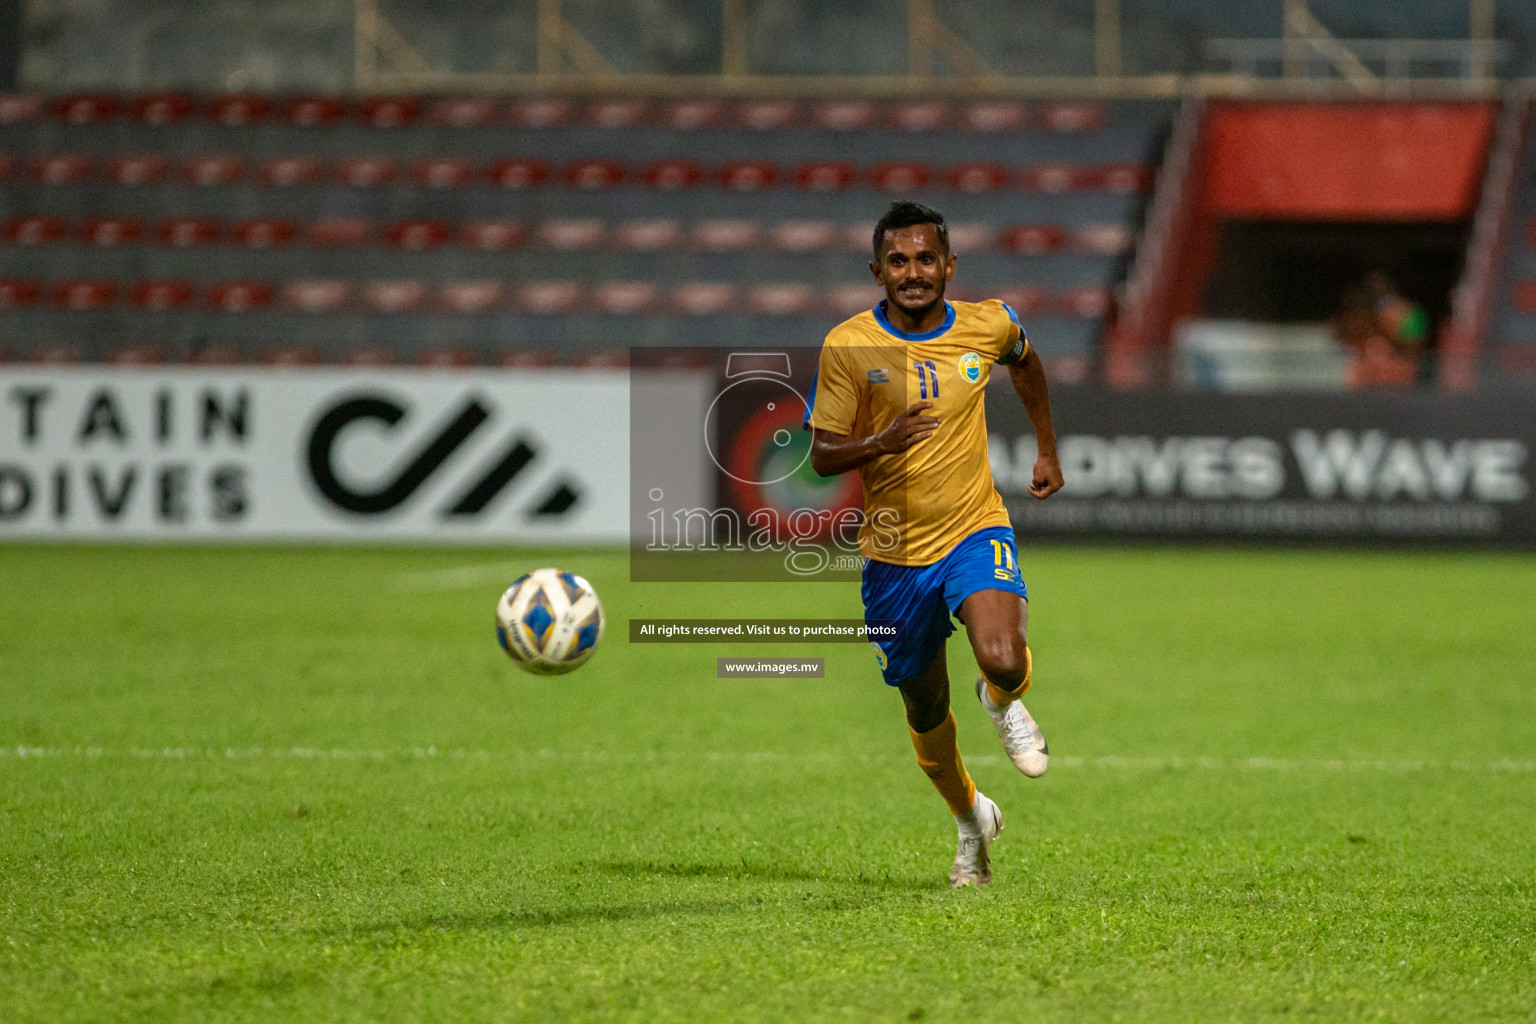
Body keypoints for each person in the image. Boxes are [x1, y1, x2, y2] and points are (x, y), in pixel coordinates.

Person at [804, 200, 1064, 887]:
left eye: (925, 259)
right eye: (898, 261)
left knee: (1002, 657)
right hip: (892, 557)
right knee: (923, 707)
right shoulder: (848, 346)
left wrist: (1045, 446)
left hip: (974, 527)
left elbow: (1028, 362)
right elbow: (824, 456)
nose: (913, 272)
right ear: (876, 270)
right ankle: (970, 821)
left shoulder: (990, 323)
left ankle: (1004, 699)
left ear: (949, 266)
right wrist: (878, 442)